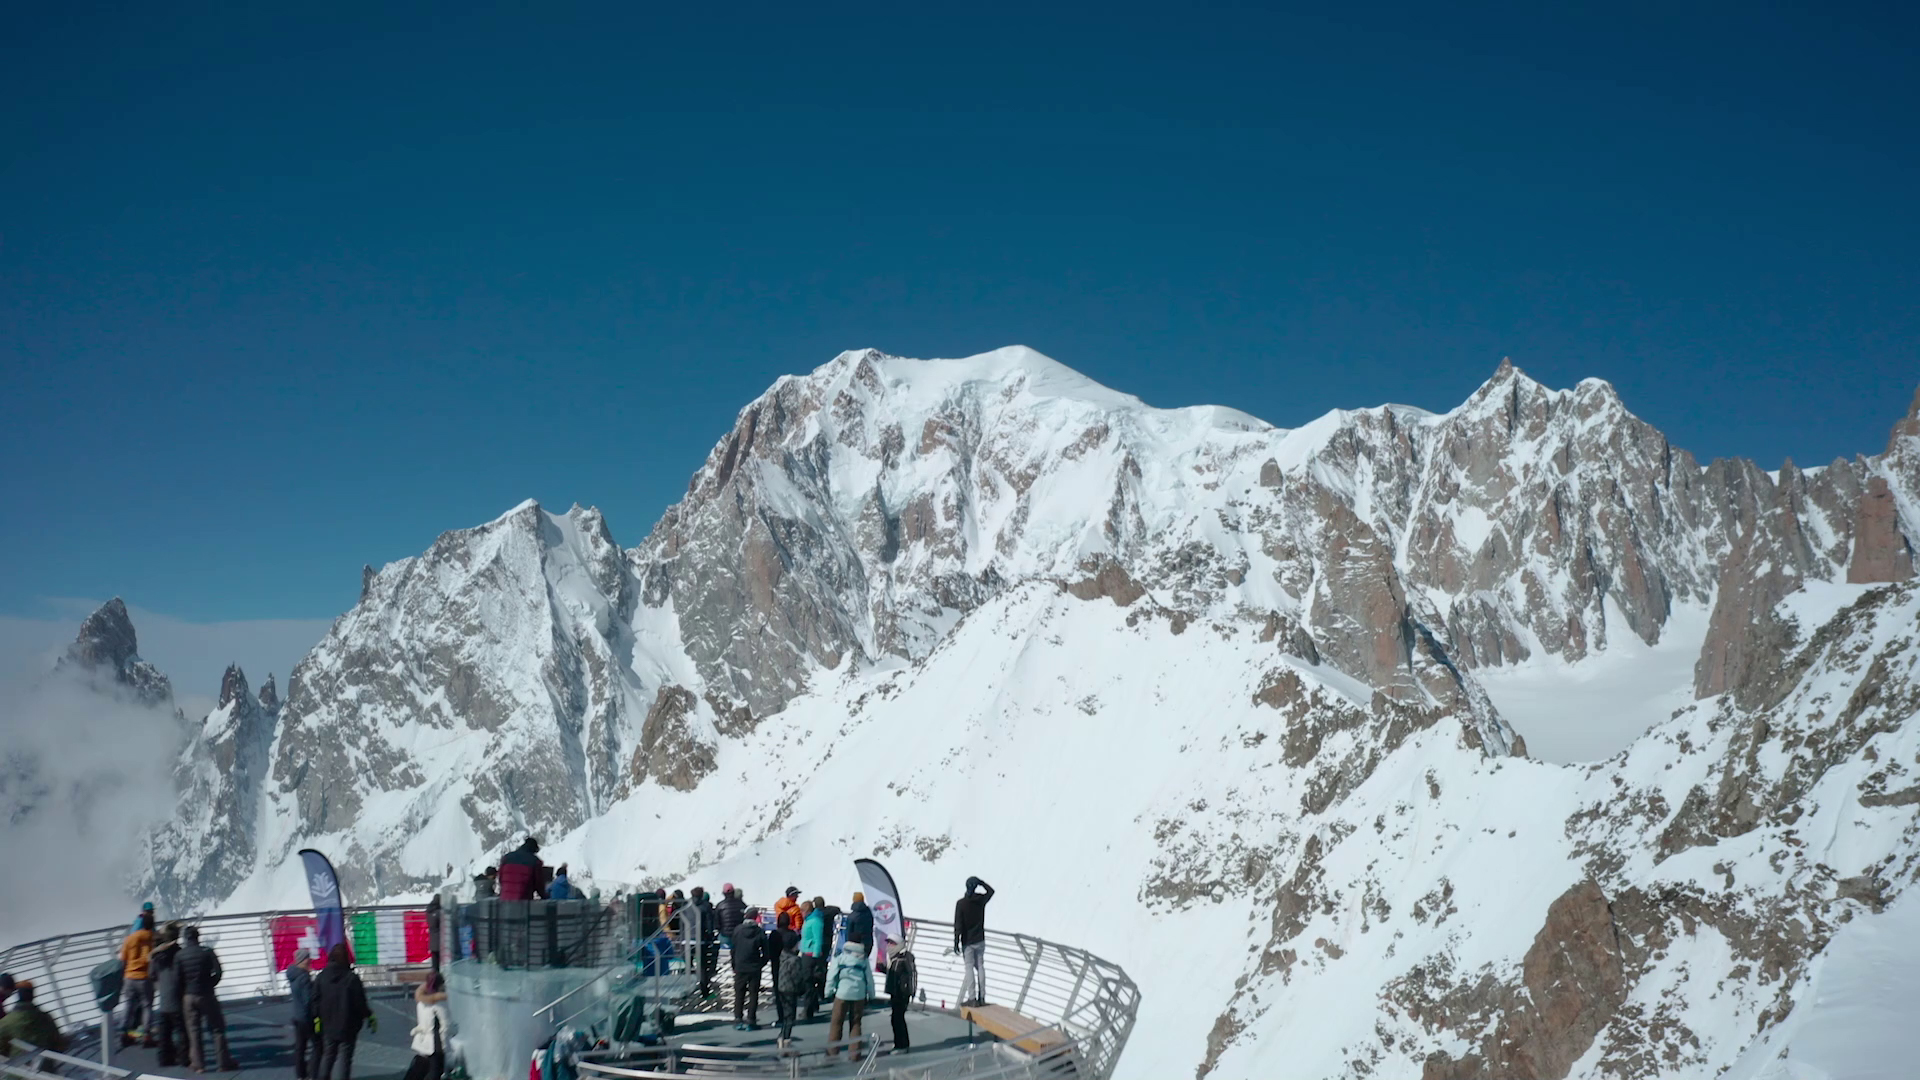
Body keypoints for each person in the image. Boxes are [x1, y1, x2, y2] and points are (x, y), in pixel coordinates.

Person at [177, 925, 239, 1072]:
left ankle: (199, 1065)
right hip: (207, 994)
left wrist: (185, 990)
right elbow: (218, 971)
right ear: (198, 937)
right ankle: (223, 1063)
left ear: (186, 939)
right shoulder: (207, 952)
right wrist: (211, 984)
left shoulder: (180, 955)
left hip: (189, 996)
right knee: (217, 1028)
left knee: (194, 1030)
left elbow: (177, 979)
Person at [315, 943, 373, 1080]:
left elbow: (315, 1000)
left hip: (328, 1025)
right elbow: (360, 1003)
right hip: (348, 1026)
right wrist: (368, 1015)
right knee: (345, 1059)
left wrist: (317, 1016)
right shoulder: (351, 978)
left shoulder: (321, 977)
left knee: (328, 1055)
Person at [823, 941, 873, 1062]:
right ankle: (855, 1054)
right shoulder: (864, 959)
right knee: (856, 1023)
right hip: (859, 995)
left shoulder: (840, 957)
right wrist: (871, 994)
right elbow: (869, 978)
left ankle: (832, 1053)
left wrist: (828, 992)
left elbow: (832, 976)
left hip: (842, 994)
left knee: (836, 1023)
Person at [953, 877, 995, 1007]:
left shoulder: (961, 904)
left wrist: (956, 941)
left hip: (968, 941)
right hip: (980, 939)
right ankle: (982, 997)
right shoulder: (980, 901)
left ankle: (972, 998)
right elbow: (991, 891)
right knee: (980, 967)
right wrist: (982, 882)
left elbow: (958, 924)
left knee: (969, 968)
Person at [118, 909, 156, 1048]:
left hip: (129, 977)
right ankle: (147, 1035)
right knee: (147, 1006)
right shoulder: (153, 938)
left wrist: (123, 976)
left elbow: (123, 959)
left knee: (128, 1005)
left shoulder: (130, 938)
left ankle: (124, 1033)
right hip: (145, 978)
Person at [402, 973, 450, 1080]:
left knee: (419, 1067)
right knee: (435, 1071)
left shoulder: (421, 1002)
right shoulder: (441, 1003)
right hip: (437, 1043)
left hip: (423, 1040)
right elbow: (447, 1024)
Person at [0, 981, 67, 1056]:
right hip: (47, 1063)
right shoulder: (46, 1018)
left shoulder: (5, 1023)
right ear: (33, 996)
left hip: (18, 1065)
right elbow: (59, 1043)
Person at [151, 924, 186, 1066]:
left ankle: (164, 1058)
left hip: (164, 999)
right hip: (178, 997)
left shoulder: (157, 956)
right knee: (182, 1031)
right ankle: (184, 1058)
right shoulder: (180, 953)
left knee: (164, 1032)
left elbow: (151, 974)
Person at [728, 908, 766, 1030]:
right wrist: (760, 964)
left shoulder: (738, 930)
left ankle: (738, 1018)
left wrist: (734, 964)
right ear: (755, 918)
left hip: (740, 966)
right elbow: (766, 952)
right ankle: (751, 1020)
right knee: (753, 994)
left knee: (739, 993)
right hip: (754, 967)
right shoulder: (759, 932)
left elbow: (733, 949)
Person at [773, 927, 806, 1050]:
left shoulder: (783, 955)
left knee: (785, 1015)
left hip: (781, 987)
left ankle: (782, 1036)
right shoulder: (795, 960)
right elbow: (797, 977)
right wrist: (801, 989)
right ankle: (785, 1040)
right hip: (790, 989)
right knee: (790, 1017)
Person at [288, 949, 317, 1080]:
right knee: (318, 1046)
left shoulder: (292, 974)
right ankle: (313, 1072)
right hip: (306, 1018)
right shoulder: (304, 977)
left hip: (297, 1016)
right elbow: (308, 1000)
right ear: (302, 960)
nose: (310, 960)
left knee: (300, 1047)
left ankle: (300, 1074)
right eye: (308, 958)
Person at [883, 937, 916, 1052]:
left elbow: (911, 975)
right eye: (888, 943)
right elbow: (893, 973)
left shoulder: (905, 958)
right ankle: (900, 1043)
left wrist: (909, 991)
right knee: (896, 1018)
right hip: (895, 992)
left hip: (901, 993)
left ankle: (902, 1045)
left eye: (892, 943)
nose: (889, 946)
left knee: (898, 1019)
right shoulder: (894, 958)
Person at [797, 901, 826, 1021]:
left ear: (807, 911)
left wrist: (815, 955)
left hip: (810, 954)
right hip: (806, 952)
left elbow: (818, 939)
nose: (801, 914)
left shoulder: (815, 922)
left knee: (808, 981)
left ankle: (808, 1010)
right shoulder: (810, 920)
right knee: (809, 981)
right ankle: (813, 1005)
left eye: (802, 911)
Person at [688, 887, 717, 1000]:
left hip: (687, 939)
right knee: (703, 966)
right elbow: (709, 922)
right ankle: (704, 992)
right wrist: (710, 936)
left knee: (688, 966)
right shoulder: (705, 906)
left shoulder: (687, 905)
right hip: (701, 940)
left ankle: (688, 990)